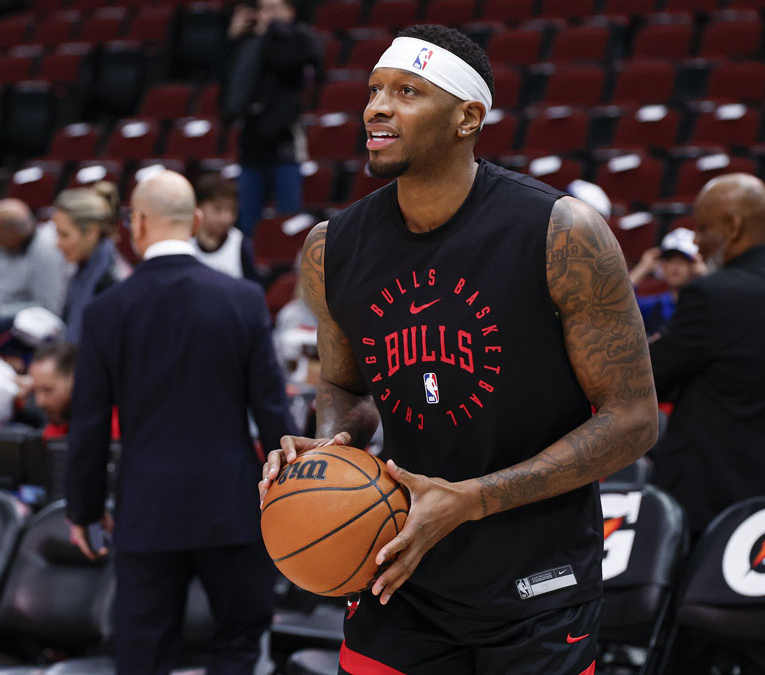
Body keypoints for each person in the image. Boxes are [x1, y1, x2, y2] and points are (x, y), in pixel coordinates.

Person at [258, 25, 659, 674]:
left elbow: (635, 418)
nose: (377, 107)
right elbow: (346, 388)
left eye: (407, 92)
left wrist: (474, 497)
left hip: (538, 580)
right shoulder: (332, 248)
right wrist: (332, 445)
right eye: (374, 90)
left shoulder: (561, 233)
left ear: (467, 117)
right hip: (399, 565)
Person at [65, 170, 294, 675]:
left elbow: (90, 426)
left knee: (143, 653)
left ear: (136, 223)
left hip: (146, 512)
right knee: (239, 643)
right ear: (194, 221)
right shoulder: (242, 299)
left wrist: (83, 510)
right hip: (231, 507)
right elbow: (274, 414)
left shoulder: (106, 312)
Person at [650, 175, 765, 674]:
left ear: (731, 225)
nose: (698, 239)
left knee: (689, 645)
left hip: (712, 503)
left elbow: (651, 380)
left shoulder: (713, 295)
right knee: (764, 650)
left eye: (704, 228)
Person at [222, 0, 321, 234]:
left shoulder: (300, 37)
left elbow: (287, 61)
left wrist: (269, 33)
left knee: (288, 220)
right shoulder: (249, 42)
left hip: (283, 136)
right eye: (264, 9)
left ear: (291, 11)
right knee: (246, 221)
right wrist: (232, 39)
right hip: (252, 136)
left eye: (275, 9)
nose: (268, 16)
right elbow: (225, 81)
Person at [0, 198, 68, 338]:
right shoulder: (3, 246)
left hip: (20, 322)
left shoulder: (47, 252)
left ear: (11, 231)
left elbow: (48, 308)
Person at [54, 182, 128, 344]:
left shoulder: (113, 280)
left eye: (64, 235)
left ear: (92, 232)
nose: (57, 244)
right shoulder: (80, 268)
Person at [628, 228, 705, 336]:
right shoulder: (657, 306)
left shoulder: (703, 306)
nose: (675, 266)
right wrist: (643, 267)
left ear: (695, 266)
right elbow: (617, 303)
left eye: (683, 260)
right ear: (662, 266)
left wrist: (704, 274)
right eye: (670, 259)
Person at [192, 173, 262, 284]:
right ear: (198, 206)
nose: (227, 218)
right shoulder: (184, 242)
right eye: (218, 209)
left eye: (232, 210)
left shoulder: (242, 245)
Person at [28, 340, 74, 439]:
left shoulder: (112, 432)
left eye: (47, 390)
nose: (39, 402)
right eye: (34, 390)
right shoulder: (53, 432)